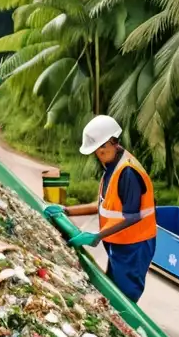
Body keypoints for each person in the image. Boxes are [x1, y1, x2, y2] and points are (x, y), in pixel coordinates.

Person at [45, 115, 157, 303]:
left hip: (134, 246)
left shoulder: (127, 172)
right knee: (112, 290)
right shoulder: (112, 166)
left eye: (101, 149)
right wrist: (67, 210)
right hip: (118, 243)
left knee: (125, 298)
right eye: (96, 151)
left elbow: (132, 217)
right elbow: (104, 207)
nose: (98, 154)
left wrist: (97, 235)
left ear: (113, 141)